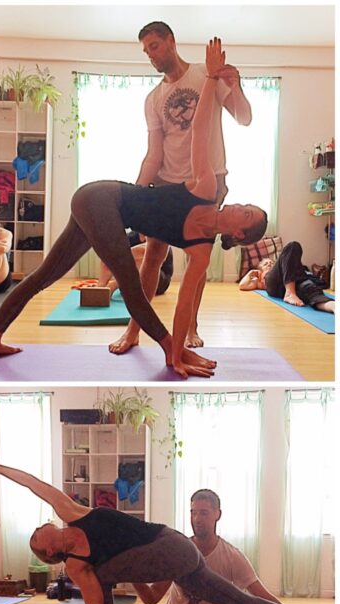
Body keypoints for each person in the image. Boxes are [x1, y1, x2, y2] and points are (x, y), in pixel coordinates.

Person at [0, 39, 267, 379]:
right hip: (102, 198)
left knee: (44, 276)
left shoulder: (202, 252)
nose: (239, 205)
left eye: (245, 213)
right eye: (246, 204)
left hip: (100, 208)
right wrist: (212, 78)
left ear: (238, 233)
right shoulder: (206, 188)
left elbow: (185, 302)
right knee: (130, 283)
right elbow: (200, 131)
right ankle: (165, 347)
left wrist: (182, 343)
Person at [0, 460, 335, 604]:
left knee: (102, 578)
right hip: (178, 560)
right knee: (240, 602)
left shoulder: (71, 514)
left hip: (170, 544)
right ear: (47, 549)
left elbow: (35, 485)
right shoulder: (77, 567)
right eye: (37, 534)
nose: (40, 525)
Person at [109, 21, 253, 356]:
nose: (151, 55)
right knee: (153, 257)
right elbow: (154, 153)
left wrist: (236, 85)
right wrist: (134, 195)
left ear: (171, 41)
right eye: (146, 50)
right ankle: (133, 330)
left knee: (197, 258)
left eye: (155, 46)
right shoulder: (153, 99)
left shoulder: (207, 73)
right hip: (167, 185)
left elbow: (244, 118)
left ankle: (192, 327)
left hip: (208, 183)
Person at [109, 489, 284, 604]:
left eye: (204, 513)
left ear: (218, 514)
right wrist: (129, 570)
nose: (197, 519)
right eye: (193, 513)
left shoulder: (231, 555)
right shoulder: (179, 551)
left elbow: (261, 595)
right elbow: (151, 598)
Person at [239, 241, 335, 314]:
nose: (269, 264)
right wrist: (251, 272)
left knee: (311, 290)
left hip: (297, 283)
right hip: (276, 286)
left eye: (271, 263)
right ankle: (290, 293)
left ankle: (333, 306)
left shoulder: (285, 268)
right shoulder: (262, 278)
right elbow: (242, 286)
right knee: (293, 245)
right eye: (265, 264)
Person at [98, 230, 174, 297]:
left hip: (160, 280)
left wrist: (114, 284)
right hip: (131, 283)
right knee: (112, 254)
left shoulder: (160, 235)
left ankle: (114, 285)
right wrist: (102, 284)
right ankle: (100, 288)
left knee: (140, 254)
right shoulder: (130, 237)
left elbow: (147, 256)